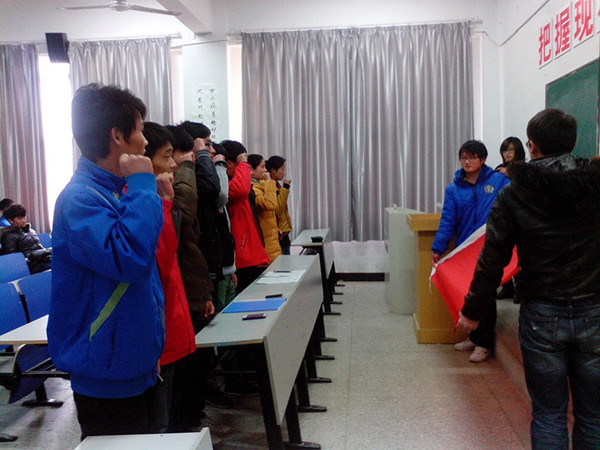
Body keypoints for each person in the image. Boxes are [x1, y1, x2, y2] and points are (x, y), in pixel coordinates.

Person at [458, 109, 600, 449]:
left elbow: (492, 258)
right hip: (594, 309)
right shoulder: (595, 186)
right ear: (572, 143)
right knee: (594, 415)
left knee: (549, 414)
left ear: (532, 146)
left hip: (541, 313)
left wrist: (472, 310)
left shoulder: (513, 193)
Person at [47, 83, 165, 439]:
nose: (145, 141)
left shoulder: (112, 192)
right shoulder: (80, 199)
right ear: (117, 136)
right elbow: (130, 259)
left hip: (131, 362)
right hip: (106, 373)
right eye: (140, 130)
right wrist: (143, 184)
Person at [431, 140, 509, 363]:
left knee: (486, 294)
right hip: (466, 249)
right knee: (469, 293)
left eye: (472, 157)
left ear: (482, 160)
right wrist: (438, 247)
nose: (467, 162)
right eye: (463, 158)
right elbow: (448, 220)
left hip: (490, 247)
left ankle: (485, 344)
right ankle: (474, 337)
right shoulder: (454, 189)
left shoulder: (498, 181)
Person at [142, 122, 196, 433]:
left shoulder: (156, 199)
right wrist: (163, 203)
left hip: (174, 319)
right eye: (166, 156)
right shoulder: (140, 203)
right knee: (159, 424)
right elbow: (159, 262)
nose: (174, 164)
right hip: (160, 331)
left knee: (169, 415)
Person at [221, 141, 269, 293]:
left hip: (253, 252)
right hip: (243, 257)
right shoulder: (225, 185)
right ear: (229, 164)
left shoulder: (240, 182)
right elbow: (240, 190)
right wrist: (242, 164)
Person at [248, 154, 281, 263]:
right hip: (265, 244)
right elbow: (270, 204)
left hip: (272, 238)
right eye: (262, 167)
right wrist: (269, 181)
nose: (265, 170)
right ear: (251, 169)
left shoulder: (261, 185)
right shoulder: (253, 188)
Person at [0, 203, 51, 273]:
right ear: (11, 221)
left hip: (44, 260)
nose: (23, 220)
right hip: (32, 265)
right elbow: (13, 259)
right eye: (19, 218)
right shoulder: (9, 236)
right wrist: (35, 255)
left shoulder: (31, 231)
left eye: (24, 217)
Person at [266, 156, 293, 255]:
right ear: (273, 170)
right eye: (282, 169)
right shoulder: (270, 187)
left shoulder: (277, 185)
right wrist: (286, 187)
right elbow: (277, 209)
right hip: (278, 235)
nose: (283, 173)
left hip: (284, 233)